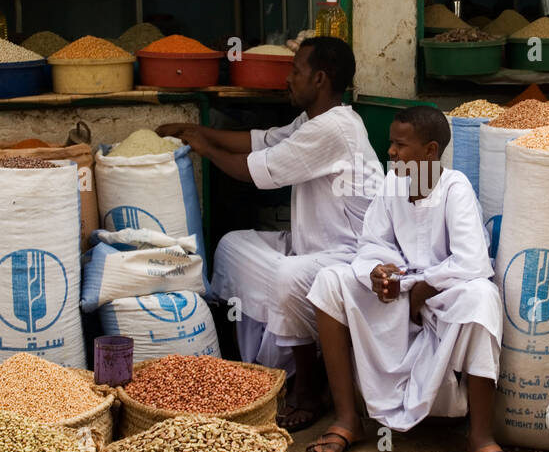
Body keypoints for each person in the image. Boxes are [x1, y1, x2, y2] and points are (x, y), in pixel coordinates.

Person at [157, 36, 382, 431]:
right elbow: (260, 141)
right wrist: (199, 131)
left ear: (320, 79)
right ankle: (263, 368)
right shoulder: (312, 120)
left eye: (296, 71)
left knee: (286, 277)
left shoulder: (334, 129)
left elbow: (258, 171)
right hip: (312, 247)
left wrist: (204, 149)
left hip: (352, 259)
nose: (288, 79)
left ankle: (307, 386)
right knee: (231, 246)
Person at [303, 106, 521, 452]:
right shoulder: (392, 185)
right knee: (330, 282)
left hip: (442, 294)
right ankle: (348, 419)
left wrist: (425, 287)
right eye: (391, 143)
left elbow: (471, 260)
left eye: (400, 145)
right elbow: (371, 245)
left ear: (430, 150)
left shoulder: (454, 188)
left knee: (482, 298)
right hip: (398, 292)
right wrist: (378, 272)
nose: (391, 152)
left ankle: (481, 438)